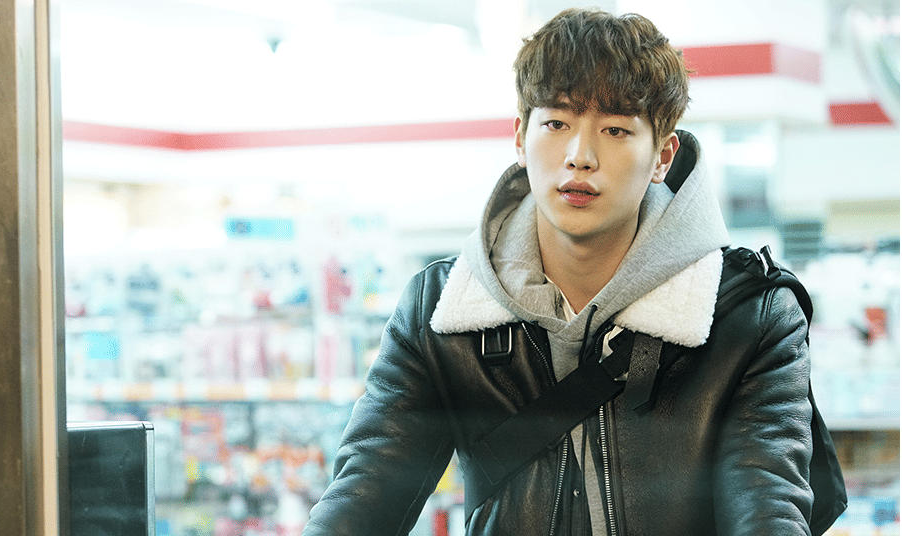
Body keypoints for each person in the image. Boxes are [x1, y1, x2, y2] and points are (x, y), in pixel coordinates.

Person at [303, 8, 835, 535]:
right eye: (557, 123)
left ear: (662, 156)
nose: (580, 156)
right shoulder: (442, 311)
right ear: (520, 136)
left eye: (616, 129)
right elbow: (361, 495)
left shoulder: (748, 317)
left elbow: (768, 509)